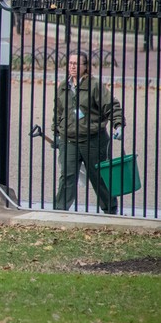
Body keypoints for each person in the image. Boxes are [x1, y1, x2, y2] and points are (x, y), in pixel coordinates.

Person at [53, 50, 124, 213]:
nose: (72, 66)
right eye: (70, 63)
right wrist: (57, 132)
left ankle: (110, 209)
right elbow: (58, 111)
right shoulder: (64, 86)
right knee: (67, 176)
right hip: (69, 139)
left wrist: (118, 124)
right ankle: (59, 210)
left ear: (85, 67)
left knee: (98, 177)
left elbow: (111, 106)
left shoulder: (94, 86)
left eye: (76, 64)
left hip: (92, 139)